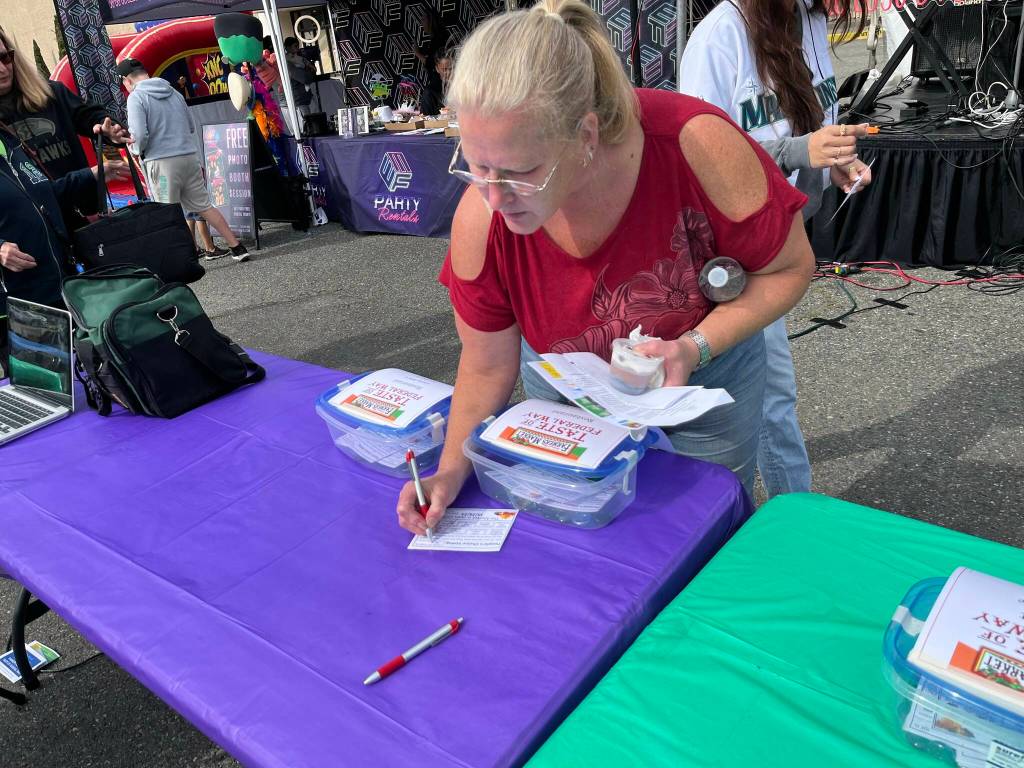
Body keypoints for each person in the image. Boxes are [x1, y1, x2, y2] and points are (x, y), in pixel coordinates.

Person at [395, 0, 815, 536]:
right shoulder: (482, 218)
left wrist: (694, 346)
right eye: (477, 166)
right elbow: (484, 364)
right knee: (591, 536)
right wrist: (450, 471)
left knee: (700, 530)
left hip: (700, 383)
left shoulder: (696, 143)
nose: (495, 197)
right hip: (570, 390)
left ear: (586, 137)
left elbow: (789, 268)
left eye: (521, 171)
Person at [678, 0, 872, 497]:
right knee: (771, 398)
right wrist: (798, 152)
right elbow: (697, 153)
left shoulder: (807, 18)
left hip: (778, 238)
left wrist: (832, 163)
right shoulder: (719, 37)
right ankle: (795, 517)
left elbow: (805, 130)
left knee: (757, 398)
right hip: (731, 250)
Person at [118, 59, 249, 262]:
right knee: (204, 205)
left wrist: (134, 148)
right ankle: (237, 246)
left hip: (161, 162)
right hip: (188, 156)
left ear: (126, 80)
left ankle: (180, 258)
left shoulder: (136, 97)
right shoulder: (174, 92)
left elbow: (140, 136)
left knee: (167, 212)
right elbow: (190, 126)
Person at [0, 26, 130, 182]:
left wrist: (110, 130)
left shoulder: (51, 92)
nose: (2, 69)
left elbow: (90, 116)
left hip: (84, 204)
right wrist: (89, 176)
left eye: (4, 57)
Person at [0, 122, 99, 309]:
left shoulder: (10, 141)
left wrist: (91, 175)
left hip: (60, 282)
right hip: (17, 299)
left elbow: (44, 193)